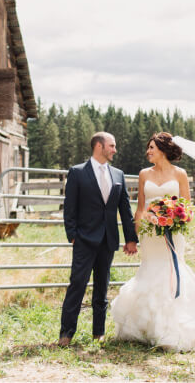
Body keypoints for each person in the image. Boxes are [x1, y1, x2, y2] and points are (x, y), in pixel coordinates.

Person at [111, 132, 195, 351]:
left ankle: (175, 324)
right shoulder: (144, 174)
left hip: (173, 234)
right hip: (150, 234)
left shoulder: (180, 174)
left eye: (152, 148)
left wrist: (175, 219)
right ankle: (147, 326)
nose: (148, 152)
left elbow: (187, 207)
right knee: (150, 270)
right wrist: (135, 237)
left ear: (163, 150)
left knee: (173, 272)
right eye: (148, 148)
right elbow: (140, 208)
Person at [58, 132, 138, 346]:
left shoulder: (118, 174)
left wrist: (131, 239)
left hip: (108, 240)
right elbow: (69, 208)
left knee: (102, 288)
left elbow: (125, 209)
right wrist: (73, 236)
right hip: (84, 239)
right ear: (99, 146)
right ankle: (66, 334)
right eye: (112, 145)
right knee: (77, 285)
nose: (115, 149)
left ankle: (98, 332)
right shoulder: (77, 172)